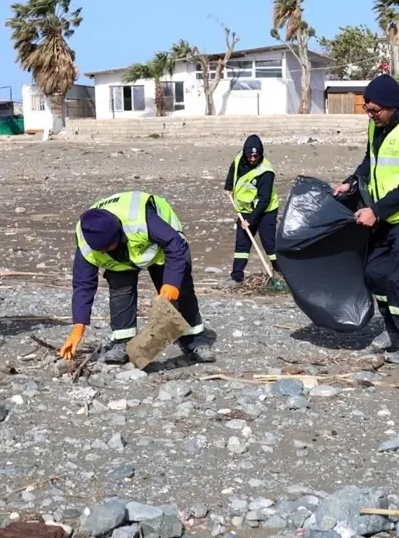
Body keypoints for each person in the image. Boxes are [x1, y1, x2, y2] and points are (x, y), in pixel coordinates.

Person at [331, 74, 399, 364]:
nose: (370, 115)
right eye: (366, 109)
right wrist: (351, 182)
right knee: (374, 273)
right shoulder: (378, 124)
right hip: (384, 215)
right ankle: (393, 332)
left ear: (392, 106)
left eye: (375, 110)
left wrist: (375, 212)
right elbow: (371, 161)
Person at [60, 190, 215, 365]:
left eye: (108, 247)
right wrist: (78, 326)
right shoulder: (86, 241)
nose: (104, 252)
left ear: (118, 233)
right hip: (121, 262)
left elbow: (175, 244)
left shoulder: (142, 220)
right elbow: (83, 284)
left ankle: (196, 341)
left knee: (181, 290)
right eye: (101, 250)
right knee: (120, 291)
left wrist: (172, 283)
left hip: (162, 249)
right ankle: (122, 342)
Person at [223, 134, 279, 283]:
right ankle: (236, 276)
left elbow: (264, 200)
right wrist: (228, 187)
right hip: (245, 209)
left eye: (256, 155)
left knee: (269, 243)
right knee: (242, 242)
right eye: (250, 155)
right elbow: (232, 171)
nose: (253, 158)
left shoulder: (266, 172)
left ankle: (280, 272)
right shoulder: (239, 158)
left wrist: (251, 220)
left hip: (266, 210)